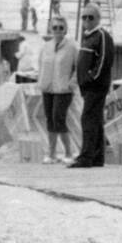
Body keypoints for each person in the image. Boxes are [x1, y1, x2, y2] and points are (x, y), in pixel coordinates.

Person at [68, 2, 114, 167]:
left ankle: (86, 157)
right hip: (88, 87)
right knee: (95, 120)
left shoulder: (101, 35)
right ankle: (97, 157)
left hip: (96, 86)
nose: (87, 20)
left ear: (98, 18)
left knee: (88, 118)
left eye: (90, 17)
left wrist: (90, 77)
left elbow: (104, 61)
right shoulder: (88, 36)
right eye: (84, 17)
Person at [37, 15, 77, 163]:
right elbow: (40, 65)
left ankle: (68, 153)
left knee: (58, 118)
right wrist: (40, 82)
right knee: (50, 120)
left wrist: (71, 84)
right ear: (50, 29)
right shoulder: (45, 47)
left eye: (61, 27)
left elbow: (79, 68)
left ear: (65, 29)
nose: (58, 30)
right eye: (55, 27)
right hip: (47, 88)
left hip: (64, 90)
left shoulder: (72, 46)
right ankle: (51, 153)